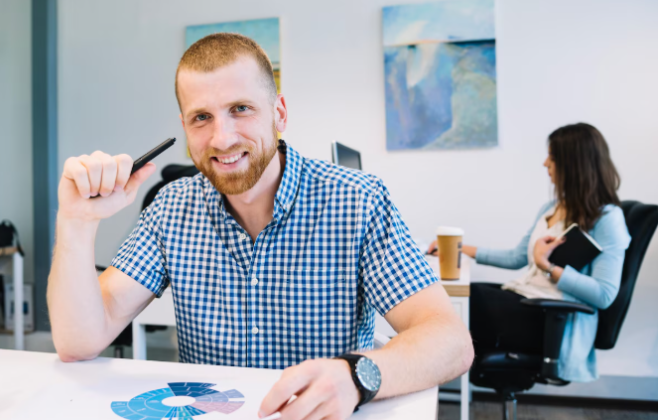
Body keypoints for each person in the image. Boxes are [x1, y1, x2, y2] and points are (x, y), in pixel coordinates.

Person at [48, 33, 473, 420]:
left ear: (279, 112)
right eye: (202, 118)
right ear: (184, 127)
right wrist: (76, 221)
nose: (222, 138)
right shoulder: (171, 207)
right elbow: (78, 341)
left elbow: (450, 341)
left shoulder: (357, 201)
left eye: (240, 109)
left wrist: (356, 376)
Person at [427, 122, 630, 382]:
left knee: (468, 301)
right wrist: (458, 248)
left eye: (552, 157)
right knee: (460, 295)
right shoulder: (552, 207)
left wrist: (549, 267)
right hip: (524, 297)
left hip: (549, 318)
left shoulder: (608, 219)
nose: (545, 163)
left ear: (574, 165)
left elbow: (604, 295)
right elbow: (516, 257)